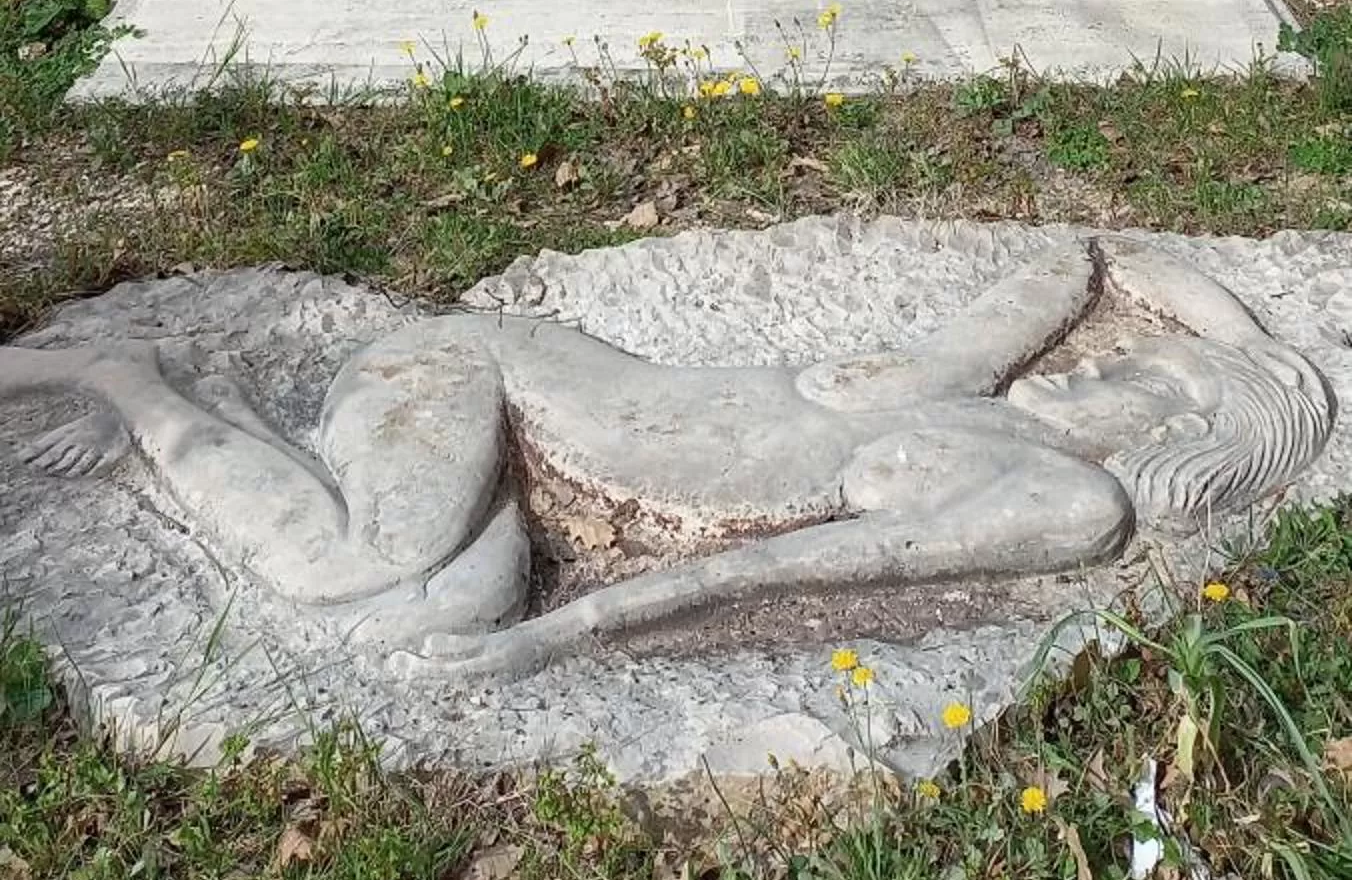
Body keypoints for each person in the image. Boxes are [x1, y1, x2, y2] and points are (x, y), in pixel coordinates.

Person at [0, 236, 1330, 677]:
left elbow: (784, 572)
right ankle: (126, 386)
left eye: (1148, 380)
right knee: (360, 571)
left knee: (435, 609)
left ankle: (200, 410)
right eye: (1134, 351)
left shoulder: (1061, 498)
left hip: (542, 481)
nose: (1108, 358)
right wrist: (1253, 331)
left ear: (1179, 447)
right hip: (482, 379)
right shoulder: (970, 375)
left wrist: (548, 641)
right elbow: (1094, 258)